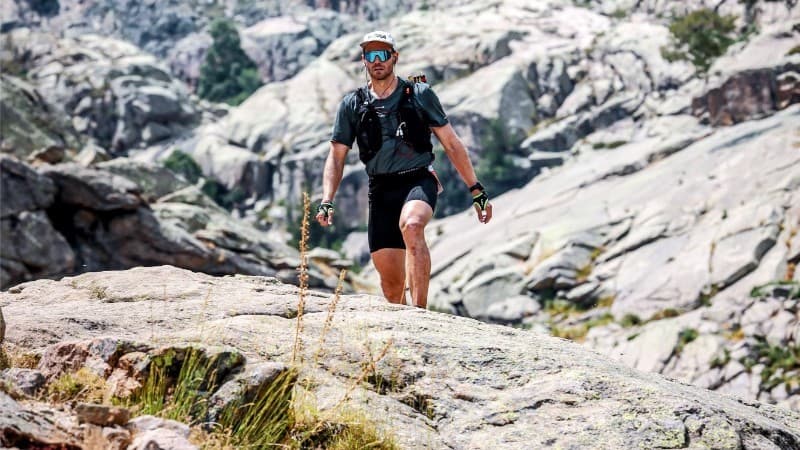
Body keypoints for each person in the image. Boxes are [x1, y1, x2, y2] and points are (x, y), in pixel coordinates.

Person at [316, 30, 492, 309]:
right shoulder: (353, 104)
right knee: (392, 286)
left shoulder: (419, 94)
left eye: (382, 54)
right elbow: (336, 157)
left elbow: (452, 144)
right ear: (363, 60)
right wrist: (327, 200)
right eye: (371, 55)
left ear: (394, 57)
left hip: (418, 180)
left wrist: (476, 190)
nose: (377, 61)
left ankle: (420, 314)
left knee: (412, 226)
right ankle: (402, 323)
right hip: (380, 189)